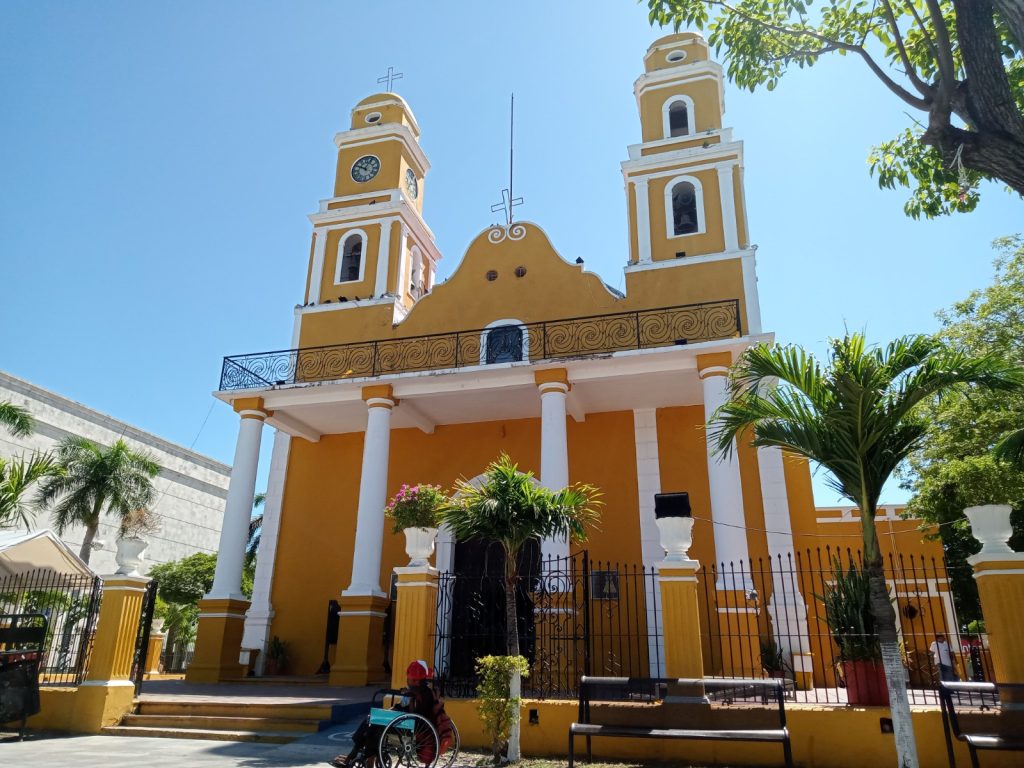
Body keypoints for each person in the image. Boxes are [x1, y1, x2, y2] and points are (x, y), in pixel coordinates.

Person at [331, 660, 449, 768]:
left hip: (411, 726)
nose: (407, 682)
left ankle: (357, 757)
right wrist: (399, 705)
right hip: (407, 721)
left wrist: (408, 697)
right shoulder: (421, 691)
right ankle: (360, 756)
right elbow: (410, 708)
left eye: (409, 680)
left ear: (416, 681)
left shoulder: (422, 693)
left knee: (374, 725)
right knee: (372, 720)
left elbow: (417, 716)